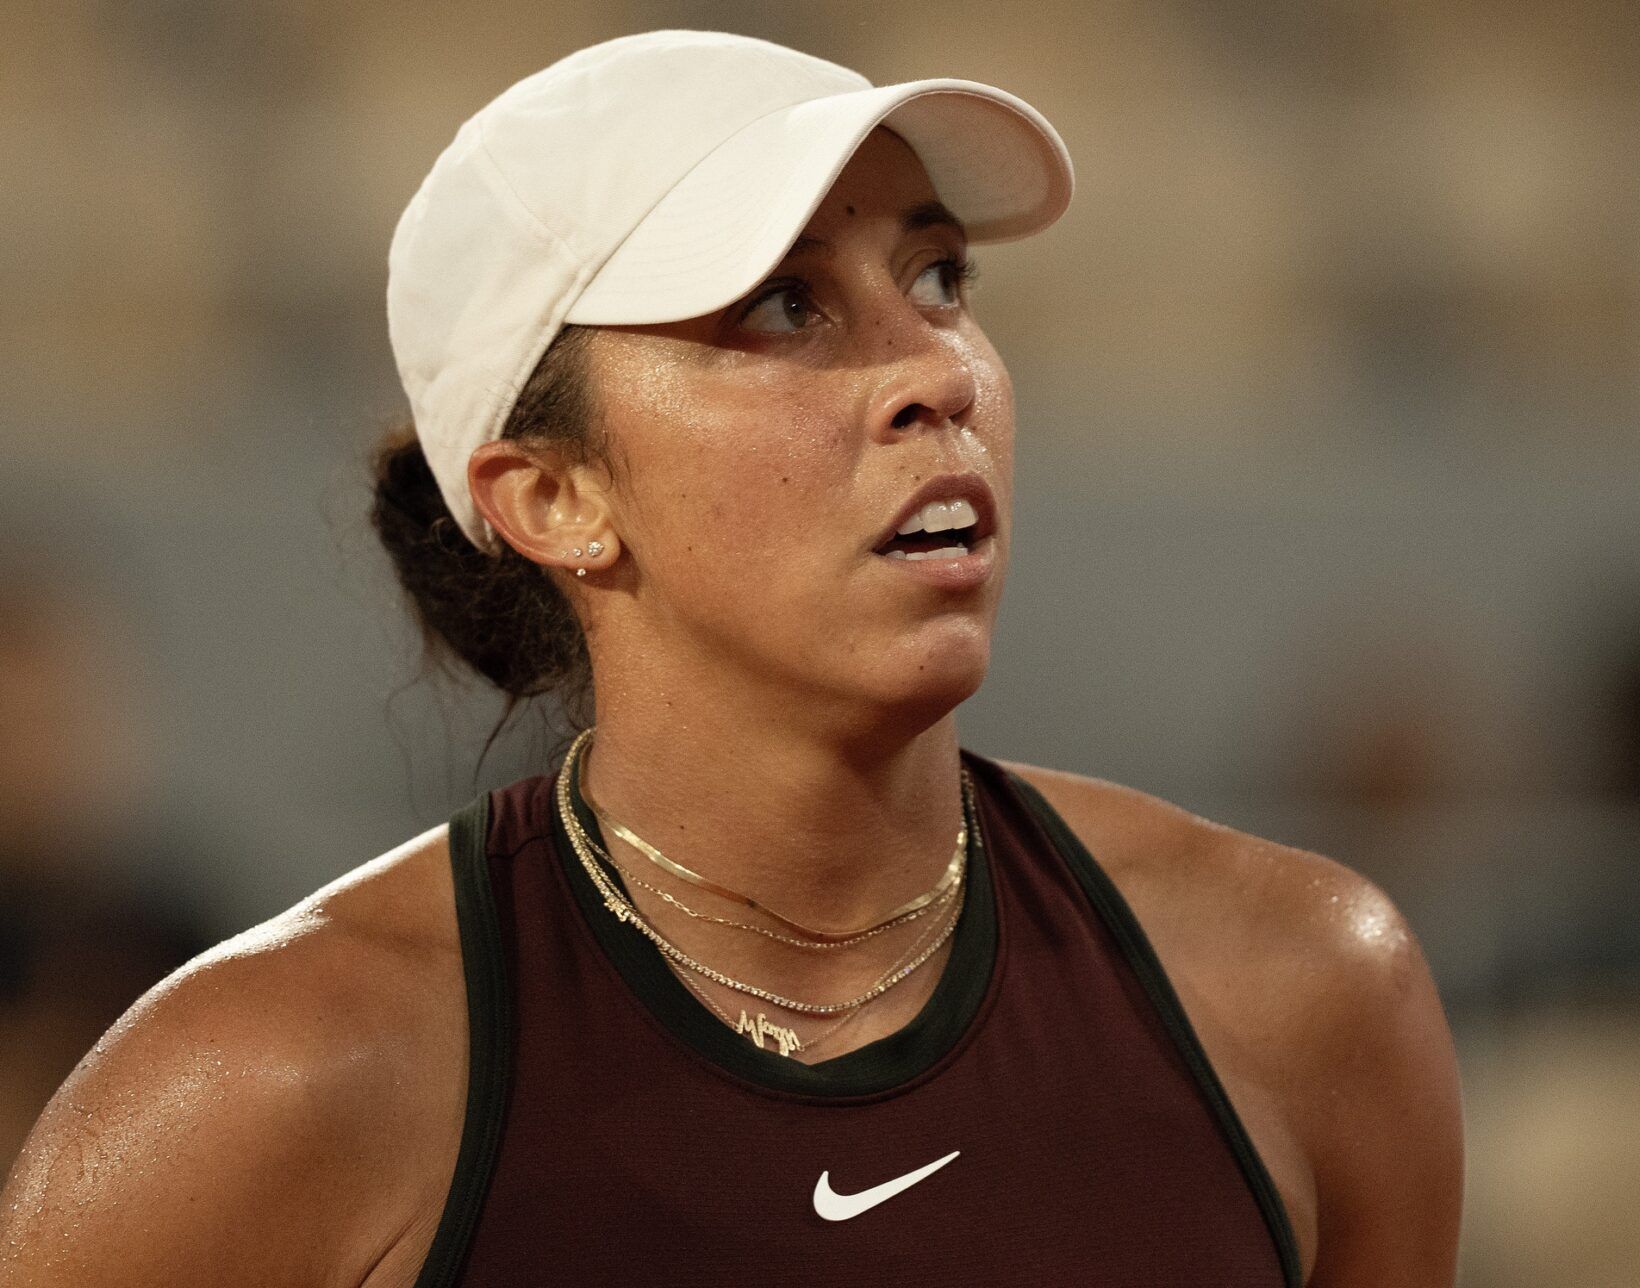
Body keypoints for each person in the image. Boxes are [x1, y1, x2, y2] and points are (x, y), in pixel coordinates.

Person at [0, 30, 1461, 1286]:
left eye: (940, 275)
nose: (940, 374)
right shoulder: (257, 1091)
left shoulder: (1307, 993)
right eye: (786, 304)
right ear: (556, 498)